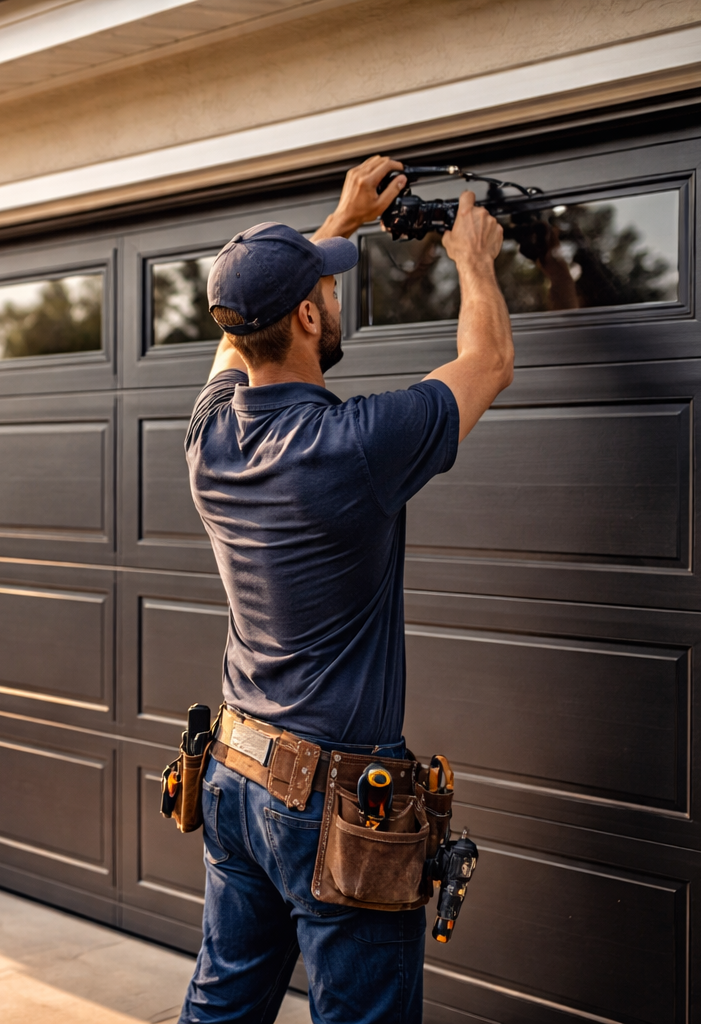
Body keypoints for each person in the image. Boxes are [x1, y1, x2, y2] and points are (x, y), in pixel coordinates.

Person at [178, 155, 514, 1024]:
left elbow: (232, 338)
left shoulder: (208, 440)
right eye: (324, 290)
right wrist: (473, 257)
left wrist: (342, 222)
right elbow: (489, 361)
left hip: (236, 771)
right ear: (306, 313)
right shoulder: (355, 446)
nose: (336, 300)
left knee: (224, 1004)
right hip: (334, 803)